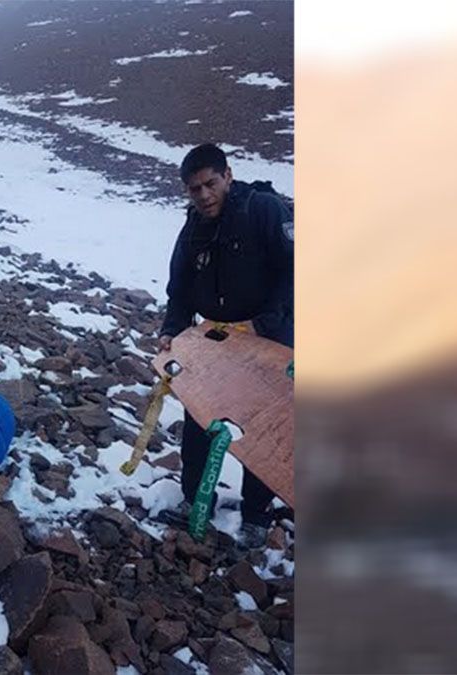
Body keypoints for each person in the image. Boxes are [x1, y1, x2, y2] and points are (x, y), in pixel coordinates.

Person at [158, 143, 293, 548]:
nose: (203, 195)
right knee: (200, 418)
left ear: (228, 176)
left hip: (267, 341)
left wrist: (261, 325)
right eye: (194, 188)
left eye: (210, 183)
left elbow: (293, 275)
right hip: (214, 340)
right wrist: (173, 330)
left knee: (262, 429)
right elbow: (179, 288)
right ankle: (194, 499)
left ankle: (255, 514)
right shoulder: (193, 228)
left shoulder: (263, 211)